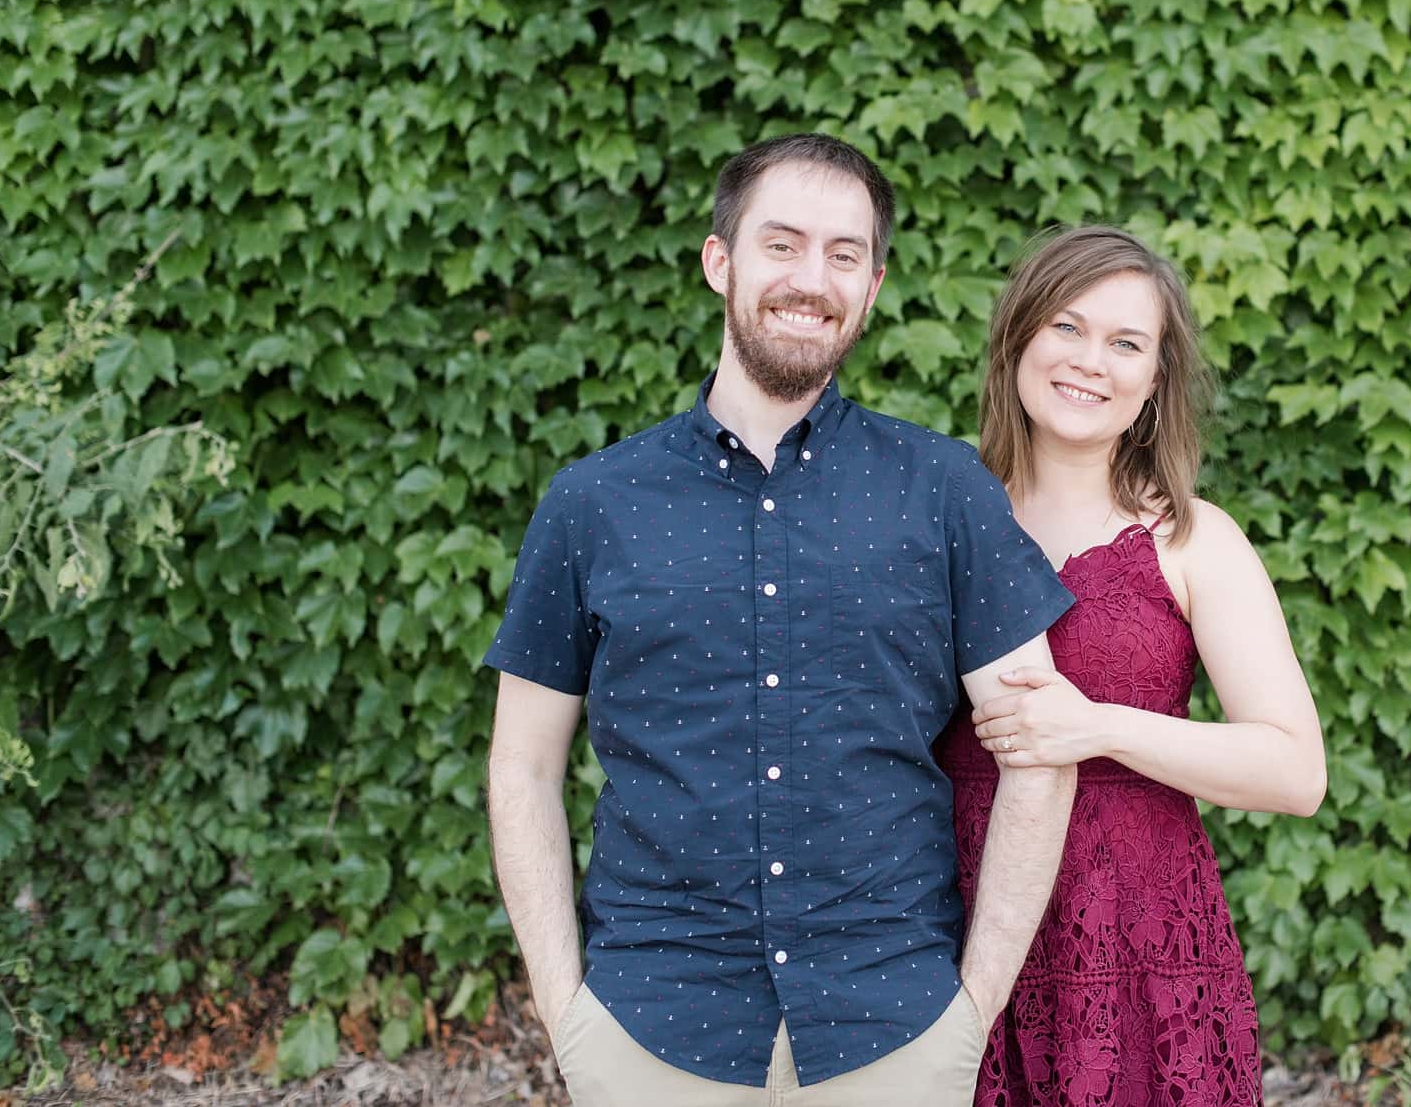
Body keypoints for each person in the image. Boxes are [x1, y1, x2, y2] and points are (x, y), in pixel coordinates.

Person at [483, 133, 1079, 1106]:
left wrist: (971, 1010)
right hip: (647, 1032)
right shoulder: (593, 502)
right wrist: (565, 1013)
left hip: (893, 1032)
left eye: (844, 254)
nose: (812, 277)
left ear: (874, 283)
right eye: (782, 242)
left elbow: (1040, 748)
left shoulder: (944, 490)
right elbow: (523, 762)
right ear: (720, 259)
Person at [936, 226, 1327, 1107]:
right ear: (1018, 337)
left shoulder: (1192, 540)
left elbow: (1296, 770)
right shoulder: (937, 517)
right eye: (1067, 328)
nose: (1089, 362)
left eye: (1125, 343)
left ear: (1154, 379)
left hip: (1135, 946)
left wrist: (1100, 725)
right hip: (948, 920)